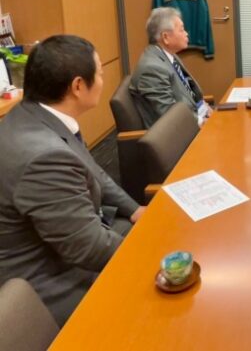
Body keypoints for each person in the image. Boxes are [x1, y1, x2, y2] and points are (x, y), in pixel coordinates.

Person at [0, 35, 145, 325]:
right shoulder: (44, 156)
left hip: (68, 237)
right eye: (100, 73)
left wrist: (135, 209)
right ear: (78, 86)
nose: (103, 80)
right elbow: (88, 248)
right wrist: (149, 253)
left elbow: (94, 171)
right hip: (46, 283)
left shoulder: (36, 116)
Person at [129, 7, 210, 128]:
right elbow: (169, 113)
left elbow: (188, 91)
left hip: (193, 115)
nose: (186, 33)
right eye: (181, 30)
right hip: (179, 133)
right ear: (165, 37)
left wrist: (203, 107)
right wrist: (201, 121)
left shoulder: (168, 55)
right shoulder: (152, 69)